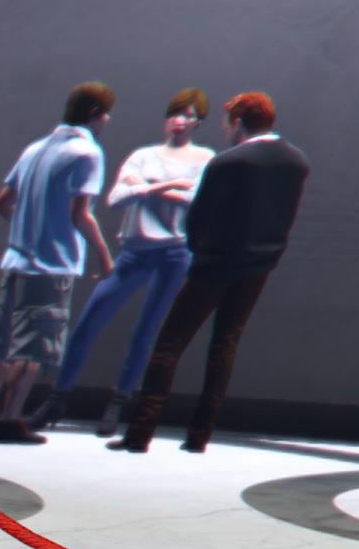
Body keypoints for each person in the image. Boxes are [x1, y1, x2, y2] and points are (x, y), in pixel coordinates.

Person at [118, 91, 310, 455]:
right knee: (226, 344)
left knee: (170, 343)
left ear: (238, 122)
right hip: (259, 265)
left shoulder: (228, 162)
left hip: (215, 264)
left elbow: (200, 217)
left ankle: (139, 433)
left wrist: (200, 249)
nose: (224, 129)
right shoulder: (296, 161)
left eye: (226, 122)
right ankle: (199, 435)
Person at [59, 89, 214, 431]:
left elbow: (199, 201)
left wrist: (145, 186)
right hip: (135, 251)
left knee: (146, 333)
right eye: (176, 113)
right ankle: (58, 397)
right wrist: (167, 186)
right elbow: (116, 198)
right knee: (87, 324)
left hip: (175, 252)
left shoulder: (205, 159)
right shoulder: (143, 155)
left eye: (188, 115)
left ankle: (118, 402)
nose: (180, 120)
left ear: (198, 122)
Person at [0, 81, 114, 445]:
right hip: (51, 265)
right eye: (105, 114)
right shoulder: (86, 153)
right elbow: (80, 213)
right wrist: (103, 256)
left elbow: (4, 201)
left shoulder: (35, 148)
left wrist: (28, 228)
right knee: (33, 348)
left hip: (16, 260)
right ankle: (9, 419)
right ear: (95, 114)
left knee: (0, 340)